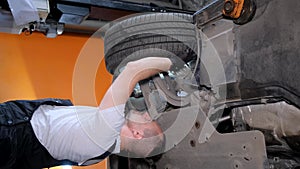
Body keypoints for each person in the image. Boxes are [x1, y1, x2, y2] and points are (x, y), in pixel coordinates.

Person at [0, 57, 172, 169]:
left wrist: (175, 63)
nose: (147, 115)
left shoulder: (106, 131)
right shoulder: (101, 152)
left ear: (137, 134)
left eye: (148, 120)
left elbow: (133, 69)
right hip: (13, 142)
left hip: (10, 132)